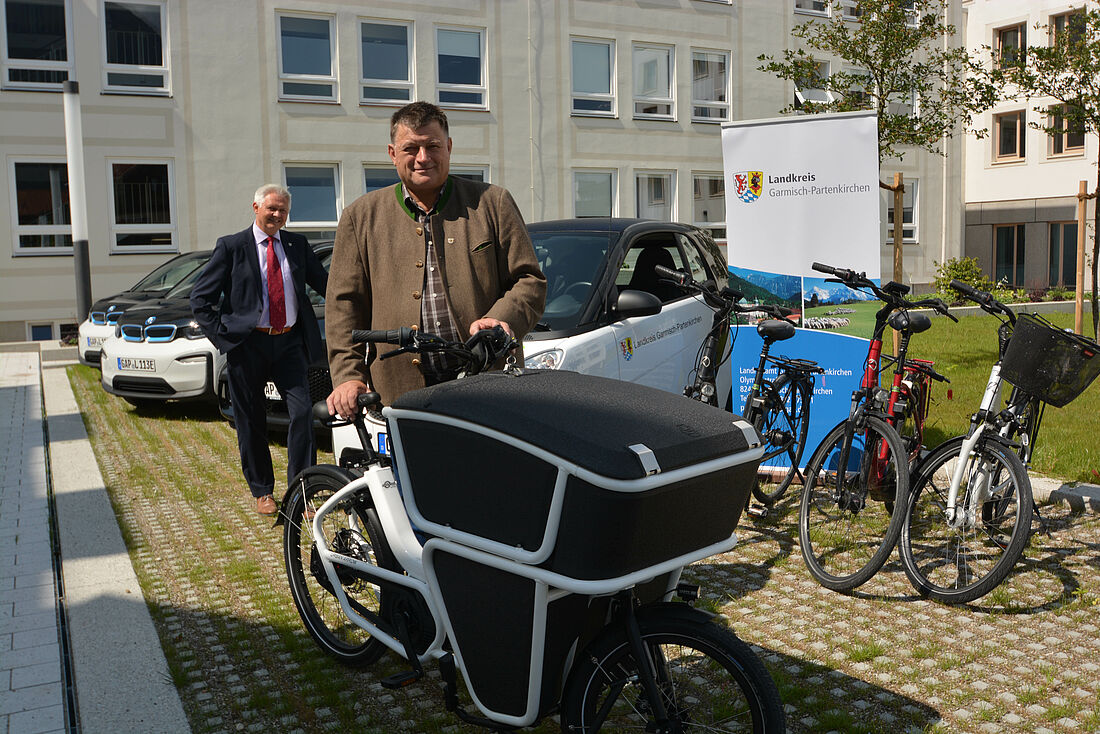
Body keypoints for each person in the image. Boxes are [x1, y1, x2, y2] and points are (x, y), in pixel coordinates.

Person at [326, 101, 546, 416]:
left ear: (449, 147)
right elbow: (344, 306)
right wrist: (348, 376)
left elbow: (529, 280)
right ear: (392, 154)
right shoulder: (360, 217)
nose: (423, 158)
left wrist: (503, 319)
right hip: (398, 392)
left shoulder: (493, 203)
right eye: (410, 149)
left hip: (488, 383)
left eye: (433, 146)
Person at [190, 184, 328, 515]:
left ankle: (301, 490)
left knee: (303, 413)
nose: (277, 215)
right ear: (256, 207)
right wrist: (223, 339)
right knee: (250, 419)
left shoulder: (296, 244)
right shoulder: (232, 247)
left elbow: (326, 283)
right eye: (272, 209)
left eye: (283, 210)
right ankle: (262, 490)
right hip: (247, 345)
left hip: (290, 343)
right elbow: (201, 299)